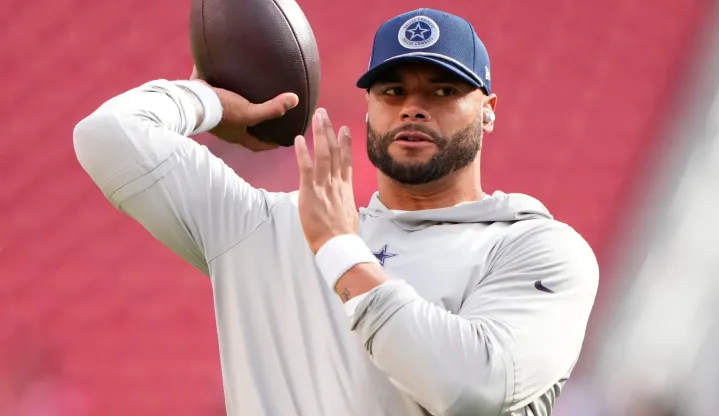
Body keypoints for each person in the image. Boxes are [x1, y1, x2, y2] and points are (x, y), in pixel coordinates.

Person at [73, 7, 598, 416]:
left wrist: (339, 252)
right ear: (369, 107)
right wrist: (203, 99)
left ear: (487, 111)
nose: (413, 106)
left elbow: (470, 387)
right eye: (392, 91)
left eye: (443, 91)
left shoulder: (536, 248)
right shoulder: (264, 227)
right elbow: (108, 136)